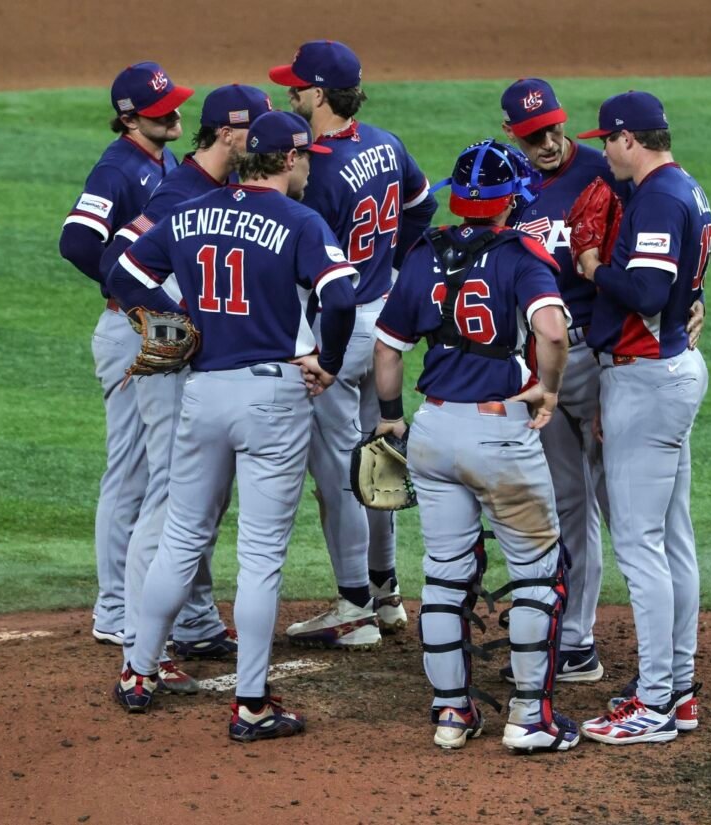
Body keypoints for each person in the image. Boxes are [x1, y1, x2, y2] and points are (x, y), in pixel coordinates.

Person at [105, 111, 358, 742]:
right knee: (261, 558)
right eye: (305, 157)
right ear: (287, 159)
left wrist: (183, 322)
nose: (309, 167)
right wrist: (325, 362)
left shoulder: (189, 215)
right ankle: (250, 705)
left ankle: (138, 672)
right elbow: (343, 296)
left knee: (183, 537)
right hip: (271, 397)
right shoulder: (300, 221)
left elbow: (122, 277)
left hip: (203, 391)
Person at [497, 78, 707, 686]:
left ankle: (664, 678)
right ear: (512, 132)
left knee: (631, 518)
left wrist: (691, 299)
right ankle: (576, 641)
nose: (548, 140)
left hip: (605, 355)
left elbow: (663, 254)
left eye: (556, 127)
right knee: (567, 499)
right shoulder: (503, 181)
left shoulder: (606, 174)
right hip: (543, 360)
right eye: (534, 134)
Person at [372, 139, 579, 753]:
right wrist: (547, 390)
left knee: (444, 576)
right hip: (499, 436)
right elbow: (552, 332)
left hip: (433, 432)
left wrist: (390, 419)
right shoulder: (522, 254)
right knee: (539, 574)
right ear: (512, 200)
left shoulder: (424, 251)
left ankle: (451, 715)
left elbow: (388, 350)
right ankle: (529, 718)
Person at [97, 84, 276, 682]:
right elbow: (112, 263)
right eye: (260, 132)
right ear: (229, 134)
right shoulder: (180, 192)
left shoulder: (220, 189)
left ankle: (194, 620)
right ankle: (135, 635)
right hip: (165, 353)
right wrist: (171, 321)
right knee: (171, 490)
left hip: (192, 361)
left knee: (200, 494)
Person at [267, 40, 438, 649]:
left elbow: (295, 260)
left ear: (318, 94)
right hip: (387, 319)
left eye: (296, 88)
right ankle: (387, 593)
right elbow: (424, 207)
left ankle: (354, 607)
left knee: (340, 471)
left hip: (336, 329)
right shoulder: (386, 144)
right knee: (381, 456)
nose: (290, 95)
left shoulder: (317, 171)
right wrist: (390, 263)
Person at [571, 92, 711, 745]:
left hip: (648, 377)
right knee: (673, 536)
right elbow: (683, 283)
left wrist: (596, 266)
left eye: (609, 139)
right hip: (670, 370)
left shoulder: (656, 194)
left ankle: (655, 702)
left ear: (632, 138)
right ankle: (677, 689)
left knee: (639, 543)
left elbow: (652, 291)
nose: (604, 150)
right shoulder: (688, 187)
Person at [58, 61, 190, 647]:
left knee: (155, 466)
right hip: (132, 328)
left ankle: (149, 603)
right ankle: (114, 608)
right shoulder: (117, 167)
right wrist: (123, 288)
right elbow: (76, 240)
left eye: (175, 104)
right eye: (162, 111)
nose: (176, 114)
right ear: (130, 118)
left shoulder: (159, 160)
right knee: (132, 470)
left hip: (155, 327)